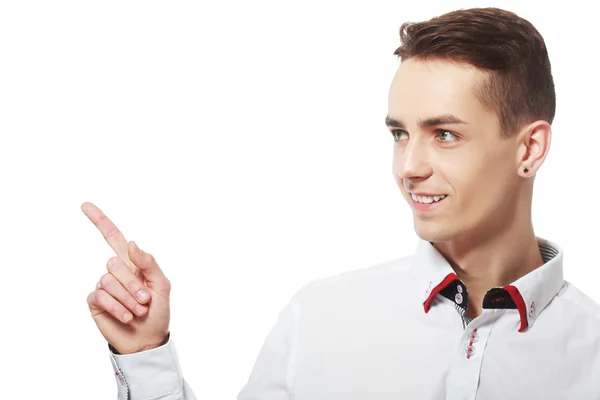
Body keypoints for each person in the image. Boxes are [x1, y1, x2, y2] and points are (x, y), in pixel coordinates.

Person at [83, 7, 600, 400]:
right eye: (400, 134)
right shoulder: (321, 318)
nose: (408, 167)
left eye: (444, 134)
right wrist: (145, 354)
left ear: (528, 148)